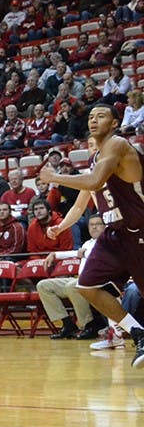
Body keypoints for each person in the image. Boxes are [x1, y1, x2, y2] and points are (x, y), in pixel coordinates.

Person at [40, 106, 144, 368]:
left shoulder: (118, 145)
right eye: (90, 117)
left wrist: (55, 177)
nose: (94, 120)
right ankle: (138, 333)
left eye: (101, 116)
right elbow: (79, 204)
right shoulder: (95, 161)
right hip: (115, 234)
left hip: (138, 230)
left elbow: (95, 182)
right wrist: (61, 228)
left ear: (115, 122)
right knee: (85, 285)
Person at [37, 211, 106, 340]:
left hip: (97, 282)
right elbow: (77, 253)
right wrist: (55, 255)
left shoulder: (108, 242)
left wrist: (82, 253)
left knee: (72, 285)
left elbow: (87, 254)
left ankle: (89, 325)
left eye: (98, 224)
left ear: (105, 226)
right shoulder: (87, 243)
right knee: (43, 285)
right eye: (91, 225)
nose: (94, 227)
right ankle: (67, 324)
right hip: (80, 279)